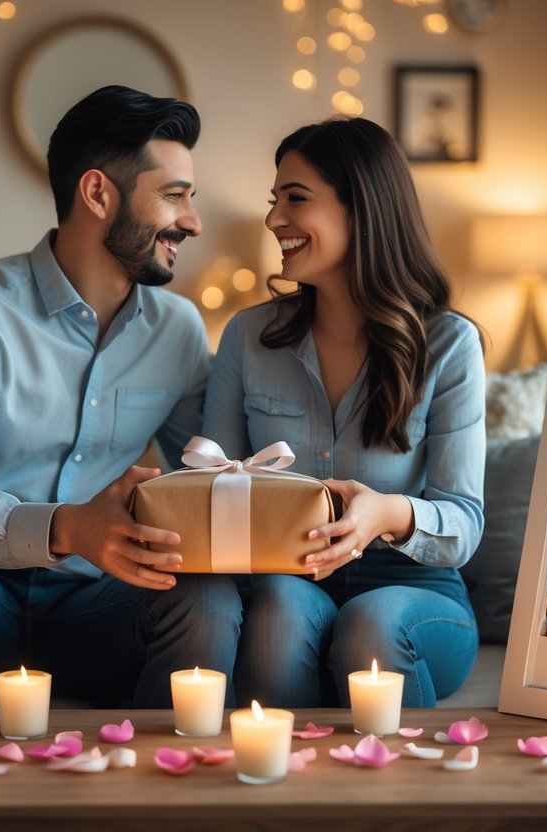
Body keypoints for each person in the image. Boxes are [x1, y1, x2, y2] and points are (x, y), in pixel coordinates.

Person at [0, 86, 243, 712]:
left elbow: (211, 478)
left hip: (97, 608)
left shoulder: (179, 331)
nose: (193, 221)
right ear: (98, 193)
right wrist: (68, 527)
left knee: (206, 597)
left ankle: (162, 795)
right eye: (174, 195)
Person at [202, 117, 485, 708]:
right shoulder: (247, 338)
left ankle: (393, 795)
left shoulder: (449, 345)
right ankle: (279, 790)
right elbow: (212, 491)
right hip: (288, 579)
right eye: (274, 200)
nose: (274, 219)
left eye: (295, 199)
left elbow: (463, 523)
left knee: (370, 626)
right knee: (278, 610)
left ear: (363, 209)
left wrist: (387, 513)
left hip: (417, 589)